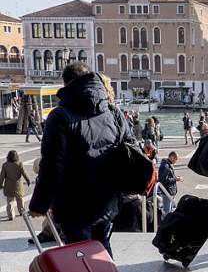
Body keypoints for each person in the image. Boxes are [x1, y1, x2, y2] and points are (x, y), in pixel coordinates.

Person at [29, 63, 132, 257]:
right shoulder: (113, 112)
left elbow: (52, 165)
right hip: (107, 199)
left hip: (73, 204)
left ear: (66, 83)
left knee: (80, 255)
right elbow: (130, 148)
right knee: (102, 247)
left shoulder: (59, 116)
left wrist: (39, 204)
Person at [0, 150, 31, 220]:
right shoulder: (19, 164)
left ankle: (11, 215)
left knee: (10, 202)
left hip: (9, 186)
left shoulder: (5, 165)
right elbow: (24, 173)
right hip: (18, 185)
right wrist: (28, 181)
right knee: (20, 200)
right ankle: (21, 212)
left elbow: (2, 176)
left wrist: (0, 185)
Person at [158, 151, 183, 215]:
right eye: (176, 158)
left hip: (170, 190)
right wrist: (175, 179)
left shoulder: (168, 165)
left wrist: (175, 177)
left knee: (170, 209)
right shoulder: (165, 166)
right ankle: (166, 223)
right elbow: (162, 180)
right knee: (167, 211)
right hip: (167, 191)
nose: (176, 160)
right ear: (172, 157)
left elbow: (167, 177)